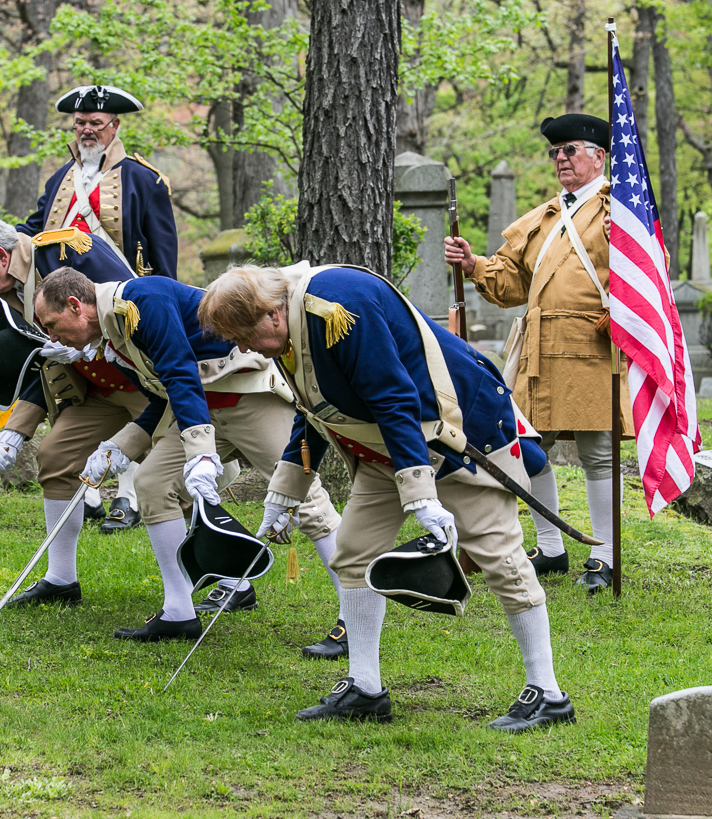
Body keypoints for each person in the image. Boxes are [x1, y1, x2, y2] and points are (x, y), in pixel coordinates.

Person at [197, 263, 575, 732]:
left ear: (271, 314)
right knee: (353, 555)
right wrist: (283, 495)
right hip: (386, 446)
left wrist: (420, 497)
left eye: (243, 335)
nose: (241, 349)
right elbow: (311, 414)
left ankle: (549, 693)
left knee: (500, 556)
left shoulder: (337, 306)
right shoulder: (294, 327)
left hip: (457, 434)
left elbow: (394, 396)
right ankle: (365, 687)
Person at [32, 269, 348, 657]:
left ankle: (354, 617)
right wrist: (119, 446)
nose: (52, 337)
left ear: (76, 307)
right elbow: (165, 392)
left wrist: (199, 453)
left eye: (51, 324)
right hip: (201, 409)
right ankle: (178, 610)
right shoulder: (115, 325)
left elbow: (181, 371)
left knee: (305, 499)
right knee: (150, 484)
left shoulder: (140, 300)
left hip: (247, 397)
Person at [444, 113, 630, 593]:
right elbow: (512, 286)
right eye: (555, 152)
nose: (561, 159)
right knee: (528, 450)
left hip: (593, 346)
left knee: (598, 454)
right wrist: (474, 264)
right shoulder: (546, 215)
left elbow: (643, 274)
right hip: (539, 351)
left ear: (598, 157)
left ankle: (604, 557)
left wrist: (625, 318)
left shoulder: (620, 210)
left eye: (570, 150)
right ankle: (550, 547)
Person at [0, 214, 148, 607]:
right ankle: (61, 580)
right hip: (97, 388)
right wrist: (14, 432)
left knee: (174, 478)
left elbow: (135, 308)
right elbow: (46, 358)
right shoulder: (9, 292)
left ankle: (229, 579)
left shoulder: (68, 251)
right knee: (55, 457)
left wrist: (92, 347)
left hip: (146, 382)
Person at [17, 83, 179, 531]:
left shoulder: (146, 180)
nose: (87, 130)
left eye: (96, 123)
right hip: (68, 308)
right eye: (80, 123)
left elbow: (164, 261)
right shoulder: (57, 179)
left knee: (141, 397)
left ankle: (128, 495)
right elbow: (32, 231)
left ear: (115, 127)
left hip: (122, 311)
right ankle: (87, 495)